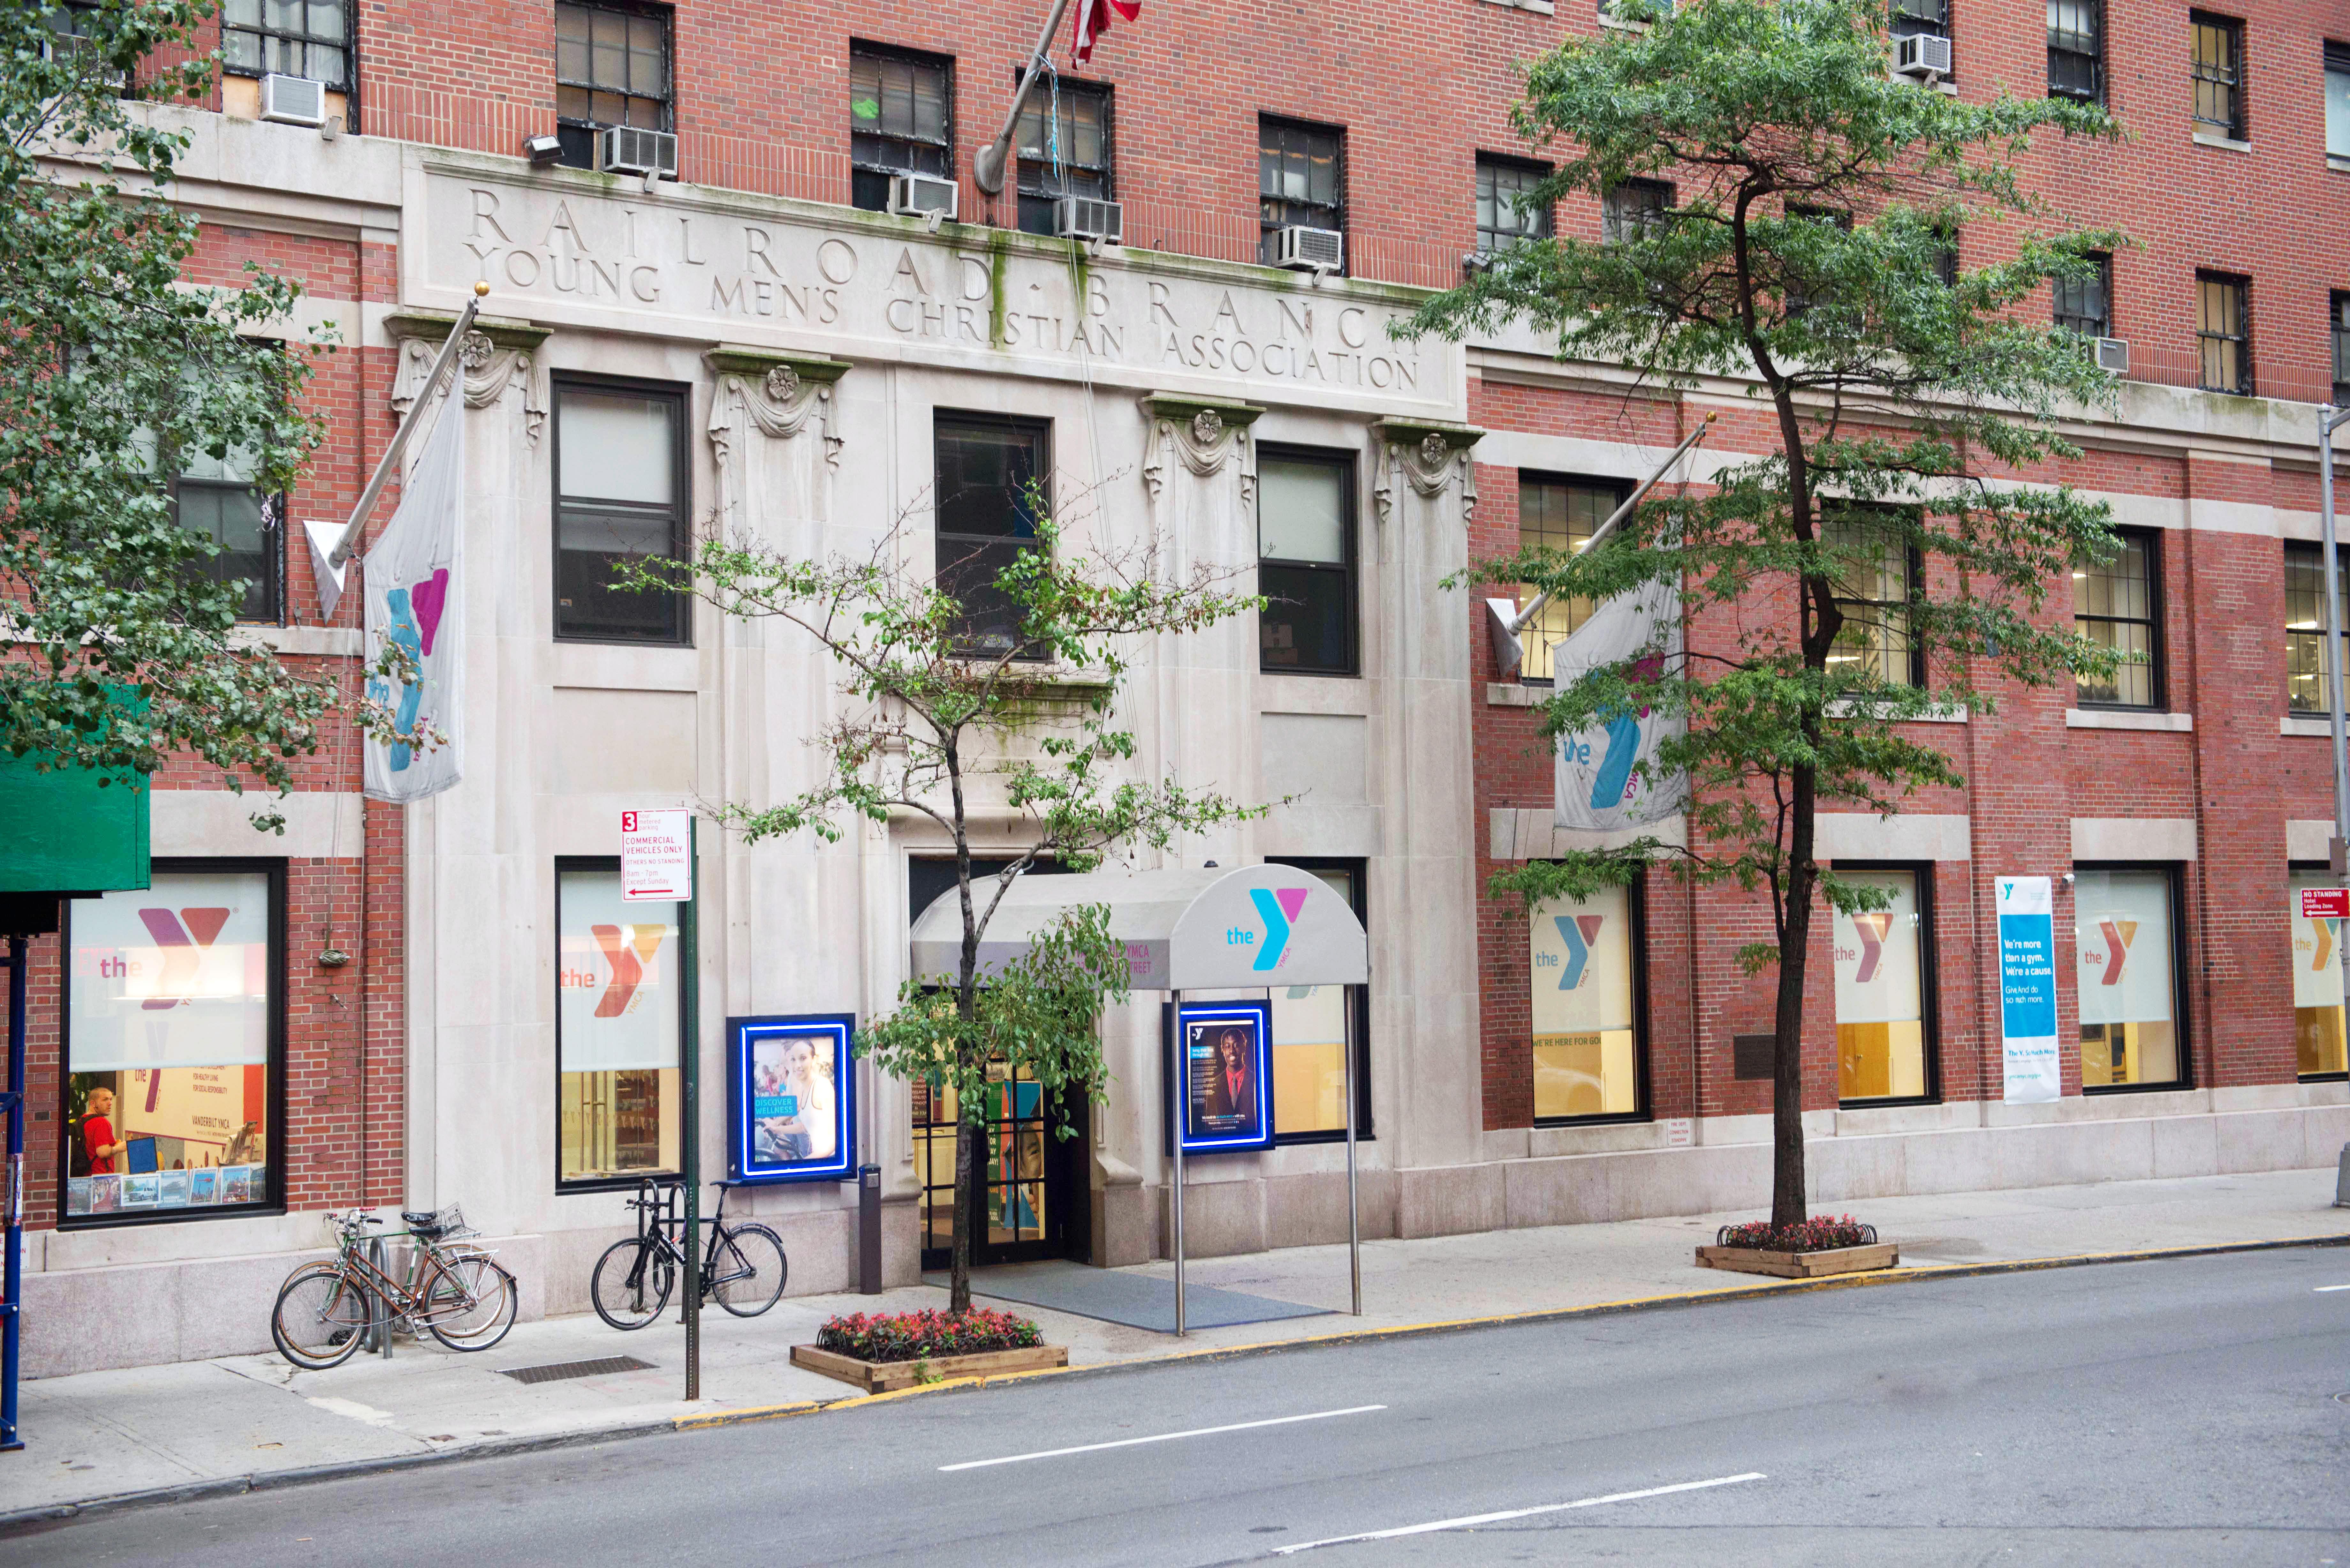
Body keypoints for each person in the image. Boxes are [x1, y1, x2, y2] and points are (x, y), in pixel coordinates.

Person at [1199, 1026, 1258, 1132]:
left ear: (1244, 1047)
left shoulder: (1257, 1081)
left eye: (1236, 1046)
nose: (1232, 1051)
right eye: (1227, 1047)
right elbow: (1209, 1129)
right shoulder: (1214, 1085)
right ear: (1223, 1050)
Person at [83, 1086, 128, 1175]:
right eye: (105, 1100)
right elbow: (103, 1152)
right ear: (93, 1104)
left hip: (88, 1176)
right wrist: (120, 1147)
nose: (110, 1103)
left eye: (111, 1099)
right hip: (102, 1176)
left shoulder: (83, 1120)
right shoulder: (101, 1122)